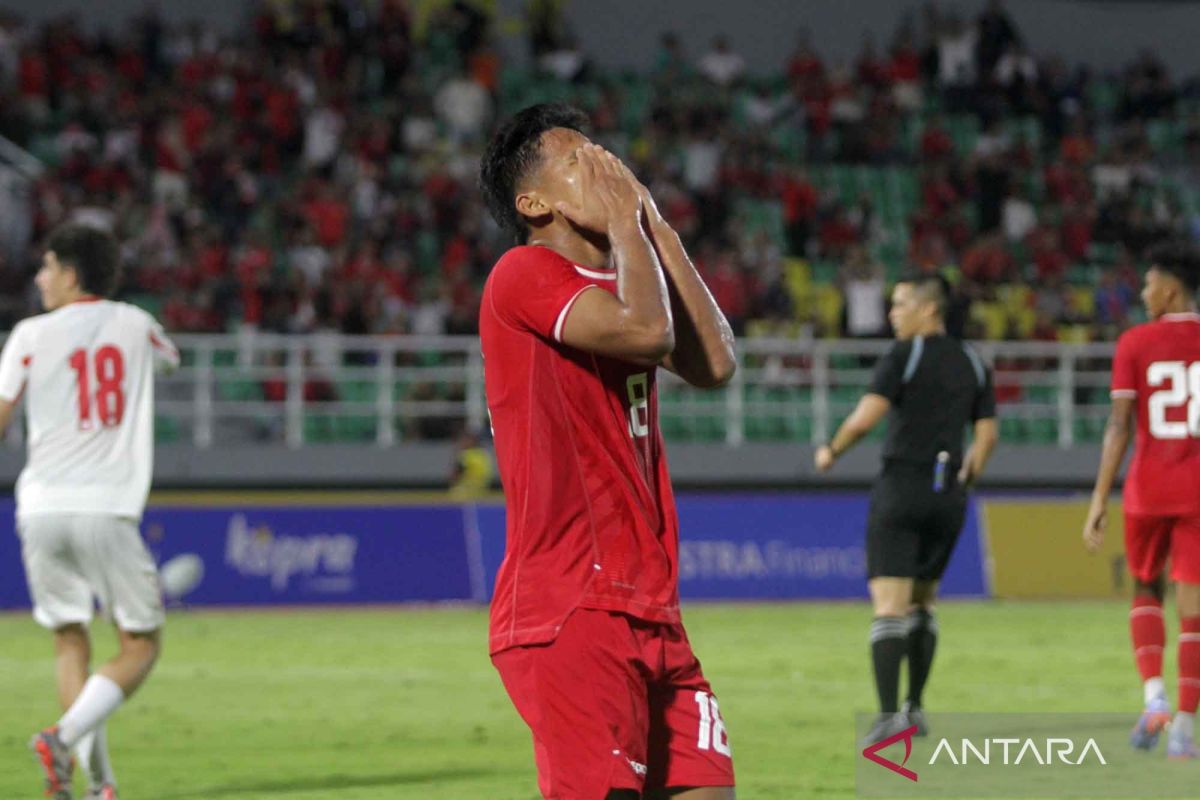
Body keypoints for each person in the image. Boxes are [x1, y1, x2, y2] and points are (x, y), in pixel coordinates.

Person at [478, 103, 738, 799]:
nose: (604, 167)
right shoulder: (521, 274)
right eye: (577, 161)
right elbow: (649, 335)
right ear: (533, 202)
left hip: (653, 606)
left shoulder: (627, 281)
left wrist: (655, 225)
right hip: (569, 608)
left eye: (602, 152)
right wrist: (627, 224)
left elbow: (715, 364)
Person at [0, 224, 180, 800]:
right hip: (104, 505)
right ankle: (63, 736)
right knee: (140, 645)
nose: (39, 277)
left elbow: (2, 416)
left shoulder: (27, 335)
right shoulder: (136, 324)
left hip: (40, 508)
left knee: (70, 639)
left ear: (73, 274)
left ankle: (97, 784)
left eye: (48, 266)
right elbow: (168, 362)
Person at [814, 272, 997, 745]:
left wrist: (831, 450)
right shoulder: (974, 362)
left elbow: (867, 416)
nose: (892, 314)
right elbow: (987, 437)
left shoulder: (904, 354)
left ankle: (887, 717)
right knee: (923, 602)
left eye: (900, 304)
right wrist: (966, 478)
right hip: (949, 494)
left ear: (929, 309)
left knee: (889, 606)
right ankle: (916, 708)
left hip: (903, 485)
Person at [1084, 242, 1200, 759]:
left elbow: (1119, 426)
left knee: (1145, 588)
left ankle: (1153, 695)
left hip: (1148, 489)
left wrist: (1098, 497)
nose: (1143, 293)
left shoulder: (1134, 342)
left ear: (1171, 289)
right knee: (1194, 611)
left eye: (1149, 284)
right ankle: (1184, 727)